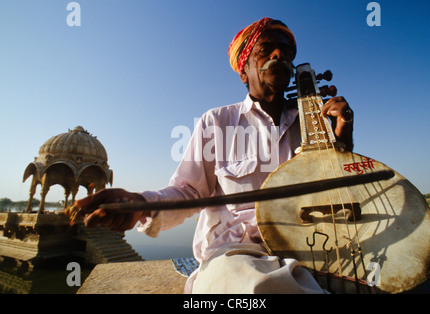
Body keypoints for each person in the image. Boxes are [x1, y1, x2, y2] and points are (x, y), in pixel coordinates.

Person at [75, 17, 354, 293]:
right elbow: (187, 191)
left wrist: (341, 139)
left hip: (312, 243)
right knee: (250, 286)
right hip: (240, 251)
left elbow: (333, 191)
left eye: (288, 53)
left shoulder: (312, 124)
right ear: (243, 71)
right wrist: (140, 203)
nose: (279, 54)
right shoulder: (217, 121)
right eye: (266, 48)